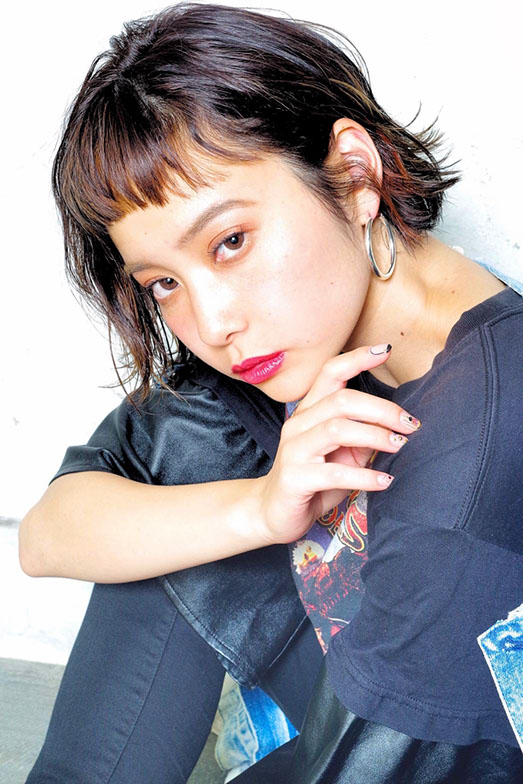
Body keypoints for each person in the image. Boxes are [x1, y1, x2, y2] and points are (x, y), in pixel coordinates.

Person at [19, 3, 522, 782]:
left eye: (230, 241)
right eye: (163, 284)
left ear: (352, 174)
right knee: (178, 503)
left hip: (430, 754)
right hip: (351, 703)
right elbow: (46, 536)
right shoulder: (286, 353)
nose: (214, 323)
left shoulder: (479, 443)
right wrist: (259, 507)